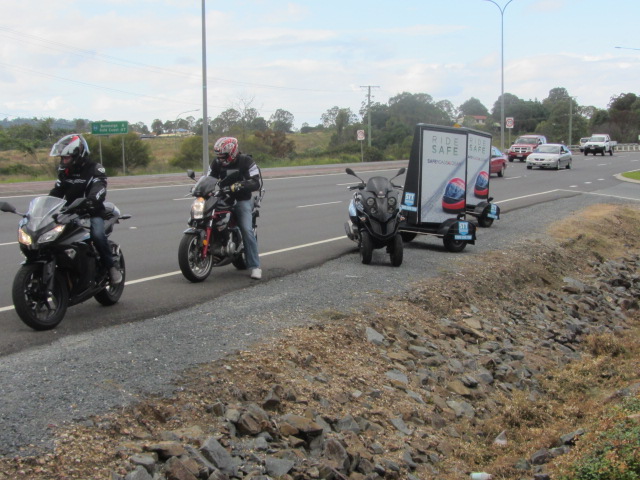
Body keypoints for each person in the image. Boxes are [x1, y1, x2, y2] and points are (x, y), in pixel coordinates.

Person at [48, 134, 122, 284]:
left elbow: (99, 188)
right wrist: (46, 206)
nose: (63, 161)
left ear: (77, 154)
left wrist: (91, 200)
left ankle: (111, 267)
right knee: (51, 237)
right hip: (70, 214)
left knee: (98, 235)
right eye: (62, 158)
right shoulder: (65, 172)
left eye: (66, 157)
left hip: (92, 212)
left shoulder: (95, 169)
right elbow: (56, 193)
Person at [209, 137, 262, 280]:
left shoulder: (246, 161)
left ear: (232, 152)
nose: (220, 159)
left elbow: (256, 182)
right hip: (223, 198)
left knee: (246, 229)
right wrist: (202, 188)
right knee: (208, 217)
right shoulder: (216, 163)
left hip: (242, 199)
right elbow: (209, 178)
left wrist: (240, 185)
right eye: (218, 156)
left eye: (223, 156)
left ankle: (255, 266)